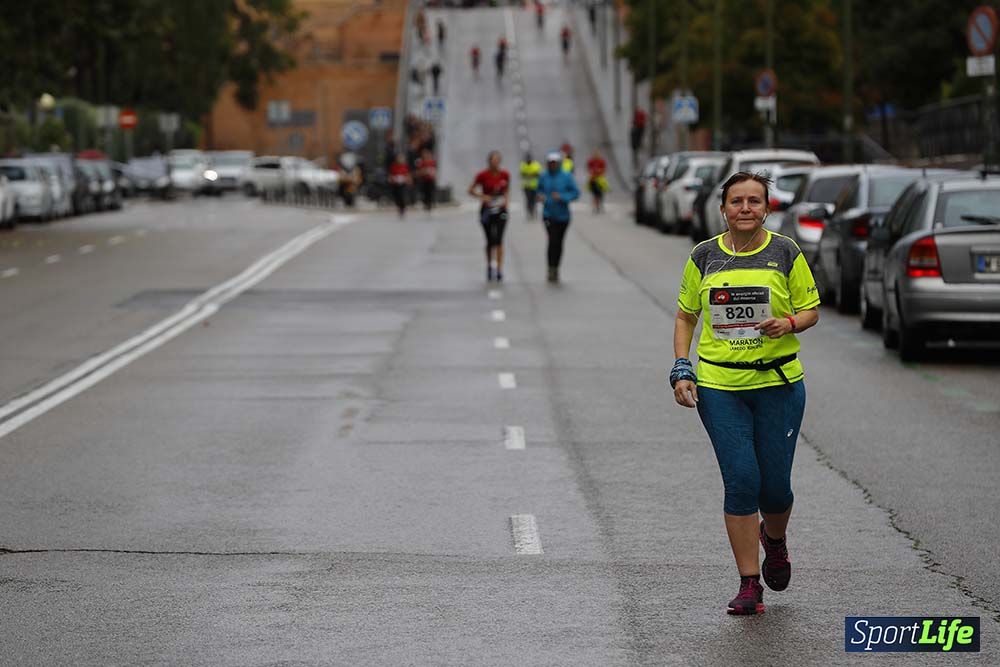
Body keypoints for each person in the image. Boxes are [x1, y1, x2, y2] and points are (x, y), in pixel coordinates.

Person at [669, 171, 821, 616]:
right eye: (737, 201)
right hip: (720, 386)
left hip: (779, 384)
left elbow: (810, 310)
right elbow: (685, 317)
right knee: (741, 481)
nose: (746, 208)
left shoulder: (785, 252)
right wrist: (682, 367)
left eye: (755, 201)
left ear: (767, 208)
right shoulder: (703, 256)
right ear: (723, 209)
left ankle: (774, 540)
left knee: (774, 490)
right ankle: (748, 583)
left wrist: (788, 323)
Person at [536, 151, 580, 283]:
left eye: (555, 163)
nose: (552, 165)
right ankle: (550, 268)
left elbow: (575, 193)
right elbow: (538, 190)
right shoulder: (544, 176)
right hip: (548, 214)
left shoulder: (566, 176)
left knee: (559, 243)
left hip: (563, 216)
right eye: (550, 163)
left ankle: (556, 267)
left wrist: (562, 197)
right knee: (552, 241)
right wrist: (540, 196)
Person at [468, 151, 511, 282]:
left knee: (499, 239)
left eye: (498, 160)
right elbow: (470, 189)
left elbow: (507, 190)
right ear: (489, 162)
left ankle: (498, 268)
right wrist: (483, 197)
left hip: (501, 210)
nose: (495, 163)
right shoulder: (482, 175)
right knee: (489, 240)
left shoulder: (505, 175)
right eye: (493, 160)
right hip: (487, 210)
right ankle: (489, 265)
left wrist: (506, 200)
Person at [388, 152, 412, 217]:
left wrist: (408, 180)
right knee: (397, 197)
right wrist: (392, 179)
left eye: (401, 158)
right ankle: (399, 207)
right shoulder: (393, 166)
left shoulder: (405, 166)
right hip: (396, 184)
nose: (400, 160)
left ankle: (403, 208)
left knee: (402, 196)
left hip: (403, 184)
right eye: (399, 158)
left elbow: (408, 175)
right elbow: (390, 175)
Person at [519, 151, 542, 220]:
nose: (528, 160)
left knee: (534, 200)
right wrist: (529, 175)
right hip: (526, 186)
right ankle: (530, 212)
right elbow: (521, 174)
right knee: (528, 200)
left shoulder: (536, 164)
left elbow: (539, 174)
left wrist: (532, 175)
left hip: (535, 186)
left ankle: (534, 211)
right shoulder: (523, 165)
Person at [586, 148, 609, 213]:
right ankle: (595, 206)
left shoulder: (602, 161)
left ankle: (600, 205)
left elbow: (604, 169)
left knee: (600, 194)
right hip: (593, 179)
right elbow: (588, 168)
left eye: (597, 154)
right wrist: (591, 172)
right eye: (595, 154)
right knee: (594, 194)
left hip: (600, 179)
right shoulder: (591, 161)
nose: (596, 155)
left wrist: (600, 171)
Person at [415, 147, 438, 212]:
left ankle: (430, 204)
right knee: (425, 192)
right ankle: (425, 203)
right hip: (424, 179)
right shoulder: (421, 162)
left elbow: (434, 170)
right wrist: (424, 171)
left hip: (430, 179)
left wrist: (432, 173)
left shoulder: (432, 162)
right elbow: (418, 171)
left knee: (430, 192)